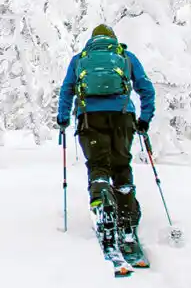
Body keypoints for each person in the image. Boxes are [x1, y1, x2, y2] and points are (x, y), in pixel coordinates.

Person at [56, 23, 157, 266]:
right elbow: (146, 89)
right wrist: (144, 119)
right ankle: (127, 223)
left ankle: (103, 208)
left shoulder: (80, 59)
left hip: (89, 118)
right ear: (112, 39)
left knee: (98, 165)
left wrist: (63, 118)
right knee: (122, 166)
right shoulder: (125, 56)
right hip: (122, 117)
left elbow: (67, 90)